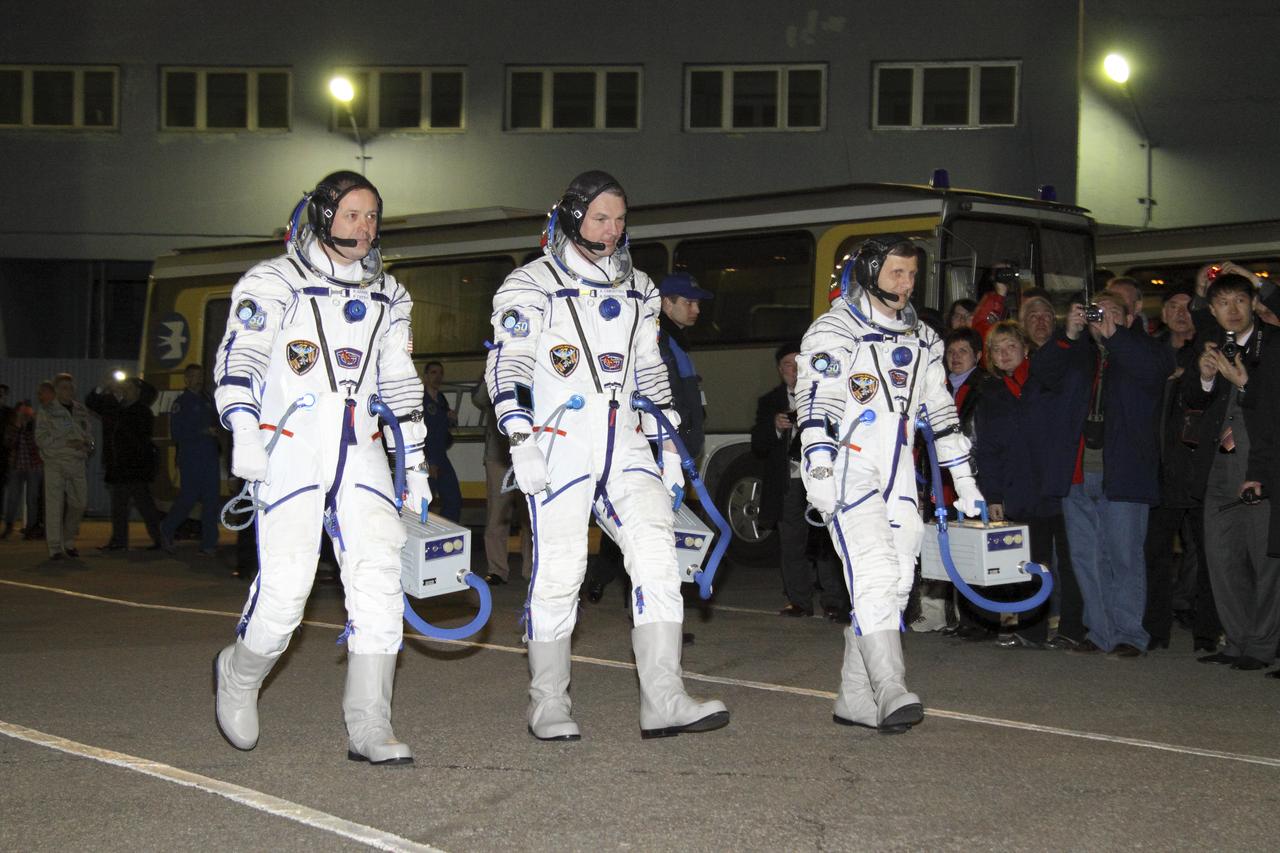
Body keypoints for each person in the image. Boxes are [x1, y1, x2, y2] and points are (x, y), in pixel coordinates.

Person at [485, 169, 728, 741]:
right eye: (600, 218)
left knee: (658, 556)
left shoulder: (640, 288)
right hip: (558, 445)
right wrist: (521, 439)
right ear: (572, 217)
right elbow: (509, 366)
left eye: (620, 219)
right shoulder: (530, 284)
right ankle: (547, 701)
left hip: (626, 446)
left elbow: (649, 370)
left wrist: (666, 444)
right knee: (560, 570)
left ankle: (664, 698)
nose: (612, 230)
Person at [210, 170, 432, 765]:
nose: (364, 226)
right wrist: (245, 431)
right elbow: (242, 358)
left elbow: (400, 385)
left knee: (380, 584)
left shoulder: (390, 294)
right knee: (285, 595)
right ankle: (239, 673)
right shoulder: (274, 281)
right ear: (322, 215)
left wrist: (416, 468)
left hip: (359, 452)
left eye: (372, 216)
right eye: (353, 213)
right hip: (289, 449)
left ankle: (370, 725)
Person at [796, 234, 985, 734]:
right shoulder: (835, 329)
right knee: (875, 572)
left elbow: (941, 411)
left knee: (898, 583)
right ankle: (891, 686)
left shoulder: (923, 338)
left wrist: (964, 480)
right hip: (847, 466)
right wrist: (817, 467)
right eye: (896, 273)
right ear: (870, 272)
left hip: (899, 469)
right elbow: (817, 401)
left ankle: (854, 696)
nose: (905, 284)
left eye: (912, 275)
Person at [1033, 291, 1173, 657]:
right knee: (1085, 557)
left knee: (1124, 556)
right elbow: (1042, 372)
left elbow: (1152, 371)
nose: (1102, 319)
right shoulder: (1076, 352)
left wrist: (1116, 336)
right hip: (1077, 472)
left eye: (1112, 313)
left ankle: (1129, 633)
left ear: (1129, 318)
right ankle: (1100, 631)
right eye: (1097, 312)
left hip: (1123, 472)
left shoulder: (1146, 348)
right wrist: (1069, 334)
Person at [585, 270, 714, 606]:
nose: (696, 309)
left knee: (638, 528)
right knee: (647, 531)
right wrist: (669, 450)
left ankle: (605, 582)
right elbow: (658, 400)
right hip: (660, 450)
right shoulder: (657, 340)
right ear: (665, 303)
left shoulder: (676, 341)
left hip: (674, 447)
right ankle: (645, 608)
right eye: (688, 302)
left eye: (698, 302)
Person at [1184, 273, 1280, 671]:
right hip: (1216, 470)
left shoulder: (1273, 345)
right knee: (1222, 563)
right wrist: (1205, 377)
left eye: (1240, 301)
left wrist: (1243, 383)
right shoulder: (1211, 347)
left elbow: (1272, 411)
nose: (1233, 310)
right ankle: (1237, 640)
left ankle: (1261, 646)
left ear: (1253, 303)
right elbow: (1191, 406)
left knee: (1265, 566)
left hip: (1257, 467)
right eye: (1223, 303)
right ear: (1213, 309)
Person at [750, 342, 849, 621]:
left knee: (827, 543)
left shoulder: (827, 394)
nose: (793, 370)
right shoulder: (770, 401)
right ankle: (799, 601)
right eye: (787, 365)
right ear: (779, 370)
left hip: (823, 479)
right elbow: (757, 444)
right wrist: (775, 427)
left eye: (798, 363)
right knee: (792, 542)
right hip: (790, 479)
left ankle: (835, 601)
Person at [86, 376, 164, 551]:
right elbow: (91, 402)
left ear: (137, 391)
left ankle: (160, 538)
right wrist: (104, 386)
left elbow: (140, 439)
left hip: (135, 468)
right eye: (124, 387)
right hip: (117, 467)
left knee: (145, 506)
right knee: (119, 507)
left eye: (129, 387)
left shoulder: (142, 411)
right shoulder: (114, 409)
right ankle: (119, 541)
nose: (125, 390)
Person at [159, 364, 223, 556]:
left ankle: (209, 543)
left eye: (201, 376)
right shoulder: (182, 403)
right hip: (191, 457)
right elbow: (177, 433)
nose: (198, 379)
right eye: (194, 376)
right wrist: (202, 432)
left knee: (212, 500)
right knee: (188, 499)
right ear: (186, 379)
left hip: (210, 457)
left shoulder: (209, 400)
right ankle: (167, 528)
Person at [473, 381, 532, 585]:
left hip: (528, 452)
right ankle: (497, 569)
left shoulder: (529, 371)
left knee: (530, 516)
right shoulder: (493, 373)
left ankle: (531, 570)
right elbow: (478, 398)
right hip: (498, 456)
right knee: (497, 514)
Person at [34, 374, 92, 560]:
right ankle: (55, 547)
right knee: (54, 505)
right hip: (55, 462)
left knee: (80, 503)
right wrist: (66, 443)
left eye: (71, 387)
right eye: (65, 387)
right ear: (57, 390)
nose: (69, 390)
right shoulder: (47, 410)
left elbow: (89, 435)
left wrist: (87, 445)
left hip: (77, 462)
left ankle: (68, 540)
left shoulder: (80, 409)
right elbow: (41, 439)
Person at [422, 361, 461, 522]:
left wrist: (451, 418)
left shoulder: (441, 399)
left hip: (441, 455)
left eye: (440, 373)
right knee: (423, 501)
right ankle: (422, 536)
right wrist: (429, 461)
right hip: (425, 457)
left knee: (454, 499)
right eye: (433, 373)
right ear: (425, 376)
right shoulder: (419, 399)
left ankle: (446, 534)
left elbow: (442, 425)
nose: (437, 377)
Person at [3, 400, 42, 539]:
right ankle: (8, 526)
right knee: (12, 498)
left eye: (27, 411)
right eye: (22, 411)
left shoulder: (35, 425)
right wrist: (17, 425)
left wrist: (31, 423)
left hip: (33, 465)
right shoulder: (13, 425)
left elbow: (39, 441)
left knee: (32, 498)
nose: (25, 414)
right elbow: (8, 442)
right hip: (16, 466)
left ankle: (31, 528)